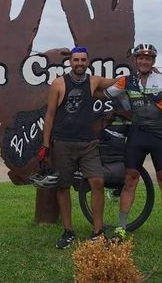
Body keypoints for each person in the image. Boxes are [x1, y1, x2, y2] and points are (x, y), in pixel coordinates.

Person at [104, 43, 162, 248]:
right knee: (130, 180)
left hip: (160, 135)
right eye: (140, 58)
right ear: (135, 61)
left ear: (153, 61)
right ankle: (122, 228)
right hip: (137, 135)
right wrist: (88, 84)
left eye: (148, 58)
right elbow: (105, 93)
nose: (144, 61)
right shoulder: (127, 81)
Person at [41, 46, 120, 249]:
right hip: (63, 143)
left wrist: (140, 74)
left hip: (88, 143)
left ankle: (97, 232)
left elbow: (117, 83)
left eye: (83, 60)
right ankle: (68, 231)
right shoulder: (58, 84)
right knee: (63, 186)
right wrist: (45, 144)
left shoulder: (93, 81)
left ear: (87, 62)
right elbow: (49, 115)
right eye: (76, 60)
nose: (79, 63)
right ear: (70, 62)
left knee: (97, 182)